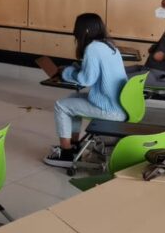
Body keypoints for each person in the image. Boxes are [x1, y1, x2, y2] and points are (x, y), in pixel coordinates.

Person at [44, 13, 127, 168]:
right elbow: (94, 73)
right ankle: (74, 144)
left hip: (109, 110)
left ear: (85, 30)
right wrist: (77, 69)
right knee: (72, 97)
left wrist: (66, 72)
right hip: (119, 105)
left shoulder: (93, 48)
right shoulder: (109, 45)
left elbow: (86, 80)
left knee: (61, 105)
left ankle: (66, 153)